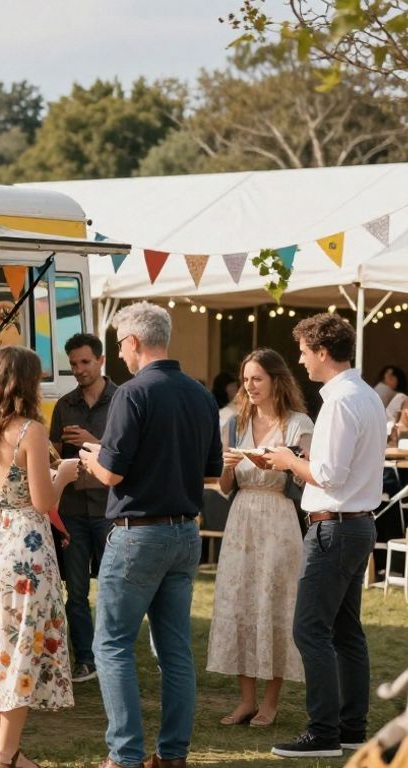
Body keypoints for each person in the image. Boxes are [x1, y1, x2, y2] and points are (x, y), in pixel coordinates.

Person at [78, 301, 222, 768]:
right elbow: (210, 471)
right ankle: (173, 755)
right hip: (185, 533)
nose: (120, 354)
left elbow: (112, 475)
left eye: (120, 345)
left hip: (138, 531)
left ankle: (124, 756)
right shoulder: (201, 394)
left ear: (135, 342)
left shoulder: (132, 393)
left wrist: (91, 459)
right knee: (175, 649)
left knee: (112, 644)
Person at [0, 345, 78, 768]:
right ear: (28, 383)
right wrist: (63, 476)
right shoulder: (31, 431)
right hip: (25, 544)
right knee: (20, 647)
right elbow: (43, 502)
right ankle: (7, 756)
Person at [266, 314, 384, 759]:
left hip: (334, 526)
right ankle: (352, 727)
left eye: (302, 351)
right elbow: (341, 468)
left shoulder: (338, 400)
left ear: (321, 352)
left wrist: (287, 461)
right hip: (356, 523)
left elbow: (330, 477)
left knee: (310, 629)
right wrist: (298, 458)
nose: (299, 359)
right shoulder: (366, 395)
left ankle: (323, 733)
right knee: (345, 630)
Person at [208, 349, 313, 728]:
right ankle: (246, 700)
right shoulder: (235, 422)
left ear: (275, 380)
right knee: (241, 604)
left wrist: (286, 462)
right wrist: (226, 467)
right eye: (246, 378)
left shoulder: (298, 422)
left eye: (257, 379)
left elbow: (308, 476)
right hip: (241, 521)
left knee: (275, 603)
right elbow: (223, 487)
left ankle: (271, 702)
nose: (249, 386)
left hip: (279, 519)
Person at [47, 332, 116, 685]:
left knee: (112, 588)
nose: (79, 370)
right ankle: (85, 660)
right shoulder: (64, 405)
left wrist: (93, 443)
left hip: (109, 508)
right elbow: (53, 455)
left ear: (101, 361)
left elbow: (130, 455)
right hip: (73, 508)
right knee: (75, 590)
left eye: (85, 362)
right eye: (73, 364)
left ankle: (111, 658)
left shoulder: (122, 400)